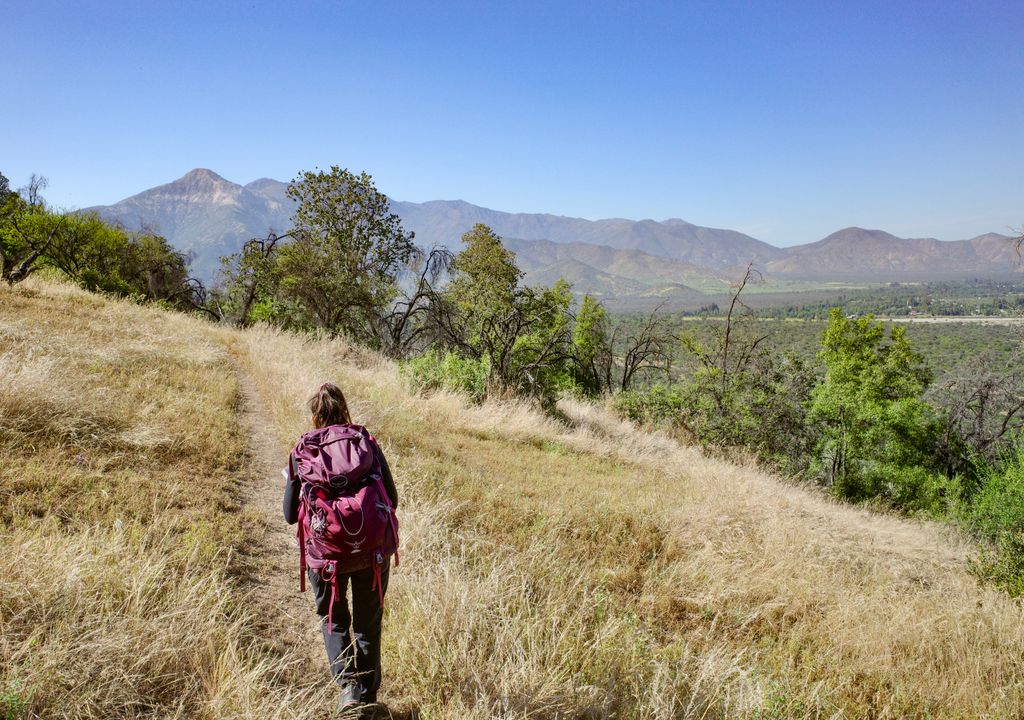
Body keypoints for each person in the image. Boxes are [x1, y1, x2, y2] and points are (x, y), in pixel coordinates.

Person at [283, 382, 399, 712]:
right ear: (345, 410)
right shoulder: (365, 442)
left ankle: (349, 690)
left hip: (326, 556)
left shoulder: (302, 450)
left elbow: (289, 515)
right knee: (368, 624)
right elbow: (392, 499)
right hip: (372, 553)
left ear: (315, 417)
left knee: (334, 620)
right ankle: (369, 699)